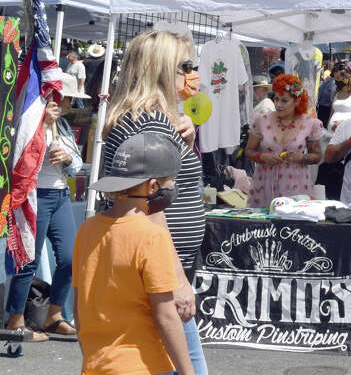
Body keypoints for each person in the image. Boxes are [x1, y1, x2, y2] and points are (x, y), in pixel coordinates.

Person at [101, 30, 208, 375]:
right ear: (161, 69)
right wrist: (176, 279)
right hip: (157, 268)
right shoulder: (151, 122)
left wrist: (186, 140)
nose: (192, 73)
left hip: (153, 263)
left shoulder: (146, 118)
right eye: (184, 65)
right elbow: (150, 206)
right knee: (187, 368)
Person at [75, 133, 195, 375]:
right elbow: (166, 317)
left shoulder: (87, 229)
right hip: (143, 365)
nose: (173, 188)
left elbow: (79, 309)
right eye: (170, 182)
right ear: (153, 186)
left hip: (95, 365)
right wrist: (188, 372)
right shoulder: (151, 237)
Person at [3, 73, 85, 348]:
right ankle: (15, 320)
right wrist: (44, 124)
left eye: (71, 99)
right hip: (34, 196)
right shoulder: (29, 122)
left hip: (60, 195)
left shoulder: (62, 125)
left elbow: (76, 165)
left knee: (70, 258)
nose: (69, 104)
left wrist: (69, 157)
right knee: (28, 259)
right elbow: (21, 159)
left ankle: (54, 315)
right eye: (65, 98)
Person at [244, 74, 323, 206]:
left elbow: (317, 156)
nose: (278, 104)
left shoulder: (310, 124)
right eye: (276, 99)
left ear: (297, 101)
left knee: (294, 223)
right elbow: (249, 151)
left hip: (296, 188)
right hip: (264, 186)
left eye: (284, 101)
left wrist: (300, 157)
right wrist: (262, 156)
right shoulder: (261, 120)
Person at [326, 63, 351, 129]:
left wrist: (343, 123)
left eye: (338, 78)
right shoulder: (336, 93)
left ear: (347, 77)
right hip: (332, 134)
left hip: (349, 133)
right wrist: (328, 126)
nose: (336, 81)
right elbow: (332, 112)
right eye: (335, 78)